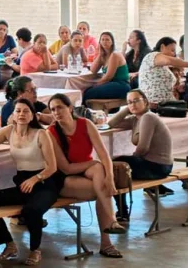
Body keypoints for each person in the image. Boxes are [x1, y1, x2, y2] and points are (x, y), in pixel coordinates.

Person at [0, 99, 60, 265]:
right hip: (21, 182)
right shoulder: (9, 131)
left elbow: (52, 167)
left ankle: (35, 250)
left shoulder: (41, 134)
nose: (21, 114)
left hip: (43, 183)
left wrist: (35, 179)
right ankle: (9, 244)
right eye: (18, 111)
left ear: (32, 115)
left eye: (26, 111)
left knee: (31, 210)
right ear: (13, 114)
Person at [47, 94, 125, 258]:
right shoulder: (51, 132)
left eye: (60, 107)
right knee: (100, 185)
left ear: (70, 108)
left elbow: (104, 155)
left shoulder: (85, 124)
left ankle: (110, 231)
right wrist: (94, 164)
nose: (56, 112)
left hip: (87, 171)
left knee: (101, 177)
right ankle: (109, 233)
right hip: (63, 178)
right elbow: (66, 168)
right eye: (53, 109)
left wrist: (110, 177)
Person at [110, 89, 174, 219]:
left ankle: (122, 211)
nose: (133, 104)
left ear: (145, 101)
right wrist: (128, 109)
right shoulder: (136, 119)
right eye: (129, 102)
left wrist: (128, 163)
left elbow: (143, 148)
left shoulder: (148, 117)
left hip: (158, 167)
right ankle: (122, 210)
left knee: (116, 168)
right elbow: (111, 123)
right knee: (117, 166)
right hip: (153, 164)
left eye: (136, 101)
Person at [138, 36, 188, 105]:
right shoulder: (152, 56)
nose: (174, 54)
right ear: (162, 47)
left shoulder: (163, 66)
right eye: (172, 50)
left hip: (167, 103)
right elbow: (169, 60)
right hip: (155, 104)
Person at [82, 32, 131, 104]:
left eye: (107, 40)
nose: (105, 41)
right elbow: (93, 70)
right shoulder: (103, 56)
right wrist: (100, 54)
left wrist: (95, 85)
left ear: (112, 42)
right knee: (86, 91)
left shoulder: (115, 55)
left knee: (88, 92)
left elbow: (108, 77)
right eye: (102, 40)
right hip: (111, 84)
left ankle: (83, 110)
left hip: (121, 85)